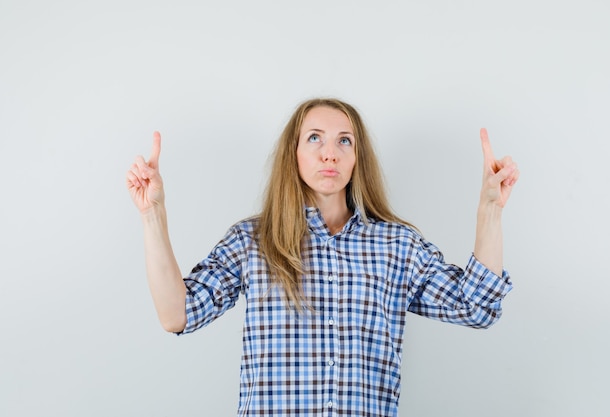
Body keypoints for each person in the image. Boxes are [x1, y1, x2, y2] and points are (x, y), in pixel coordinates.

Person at [126, 98, 519, 416]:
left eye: (344, 141)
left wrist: (490, 210)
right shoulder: (252, 241)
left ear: (356, 157)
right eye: (314, 138)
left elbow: (476, 306)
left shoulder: (397, 246)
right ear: (293, 154)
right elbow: (177, 313)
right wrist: (152, 215)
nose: (329, 153)